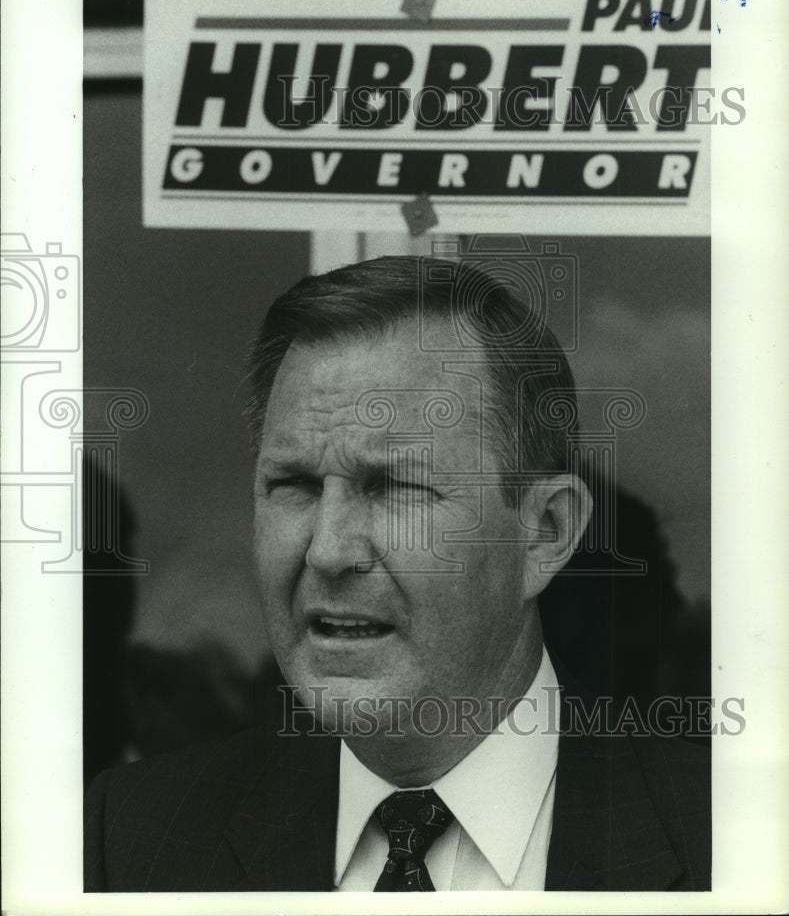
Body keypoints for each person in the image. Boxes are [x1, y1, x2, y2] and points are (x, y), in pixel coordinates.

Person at [84, 253, 710, 892]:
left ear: (544, 533)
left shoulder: (734, 841)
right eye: (294, 484)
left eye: (396, 488)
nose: (327, 551)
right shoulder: (132, 839)